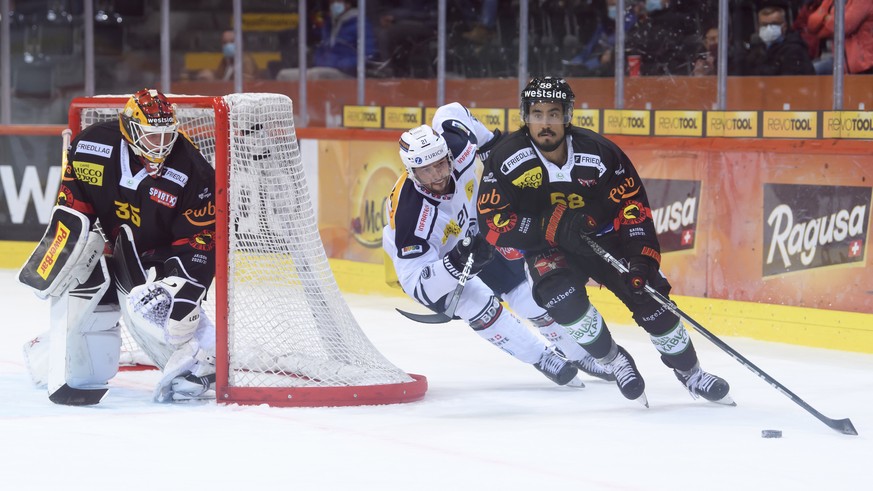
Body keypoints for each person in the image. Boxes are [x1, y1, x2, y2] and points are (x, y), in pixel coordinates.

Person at [476, 77, 733, 407]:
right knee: (561, 299)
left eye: (553, 113)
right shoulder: (505, 158)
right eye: (537, 113)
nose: (545, 123)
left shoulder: (599, 151)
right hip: (547, 247)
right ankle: (614, 361)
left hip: (604, 239)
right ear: (525, 115)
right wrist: (550, 226)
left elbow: (631, 205)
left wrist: (640, 257)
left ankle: (691, 373)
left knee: (651, 296)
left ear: (567, 114)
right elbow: (494, 223)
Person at [383, 103, 614, 387]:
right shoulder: (410, 215)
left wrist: (491, 146)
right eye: (427, 171)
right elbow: (417, 283)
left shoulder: (458, 146)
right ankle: (540, 357)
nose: (439, 176)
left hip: (474, 228)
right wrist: (455, 262)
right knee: (476, 301)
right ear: (411, 171)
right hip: (431, 262)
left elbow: (450, 111)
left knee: (526, 289)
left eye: (441, 164)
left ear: (447, 154)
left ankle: (579, 353)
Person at [18, 88, 217, 405]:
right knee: (83, 287)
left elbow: (199, 241)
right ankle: (55, 354)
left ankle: (199, 358)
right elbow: (73, 210)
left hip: (162, 258)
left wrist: (186, 288)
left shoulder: (195, 171)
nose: (162, 145)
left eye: (168, 136)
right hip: (115, 245)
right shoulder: (90, 146)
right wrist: (62, 255)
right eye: (154, 137)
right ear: (131, 129)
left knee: (159, 315)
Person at [276, 0, 377, 80]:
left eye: (337, 2)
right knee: (284, 75)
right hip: (326, 70)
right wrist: (318, 61)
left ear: (348, 4)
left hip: (349, 75)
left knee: (316, 75)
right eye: (331, 2)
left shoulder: (360, 24)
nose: (333, 5)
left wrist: (337, 64)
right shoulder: (329, 24)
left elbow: (367, 56)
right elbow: (322, 49)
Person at [741, 3, 816, 75]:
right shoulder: (755, 49)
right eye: (764, 25)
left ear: (784, 27)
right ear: (758, 28)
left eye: (774, 24)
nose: (769, 28)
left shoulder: (795, 50)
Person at [807, 0, 873, 75]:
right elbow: (811, 24)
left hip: (863, 66)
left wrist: (824, 22)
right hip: (839, 62)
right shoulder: (830, 1)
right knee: (807, 71)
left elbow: (845, 26)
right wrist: (826, 17)